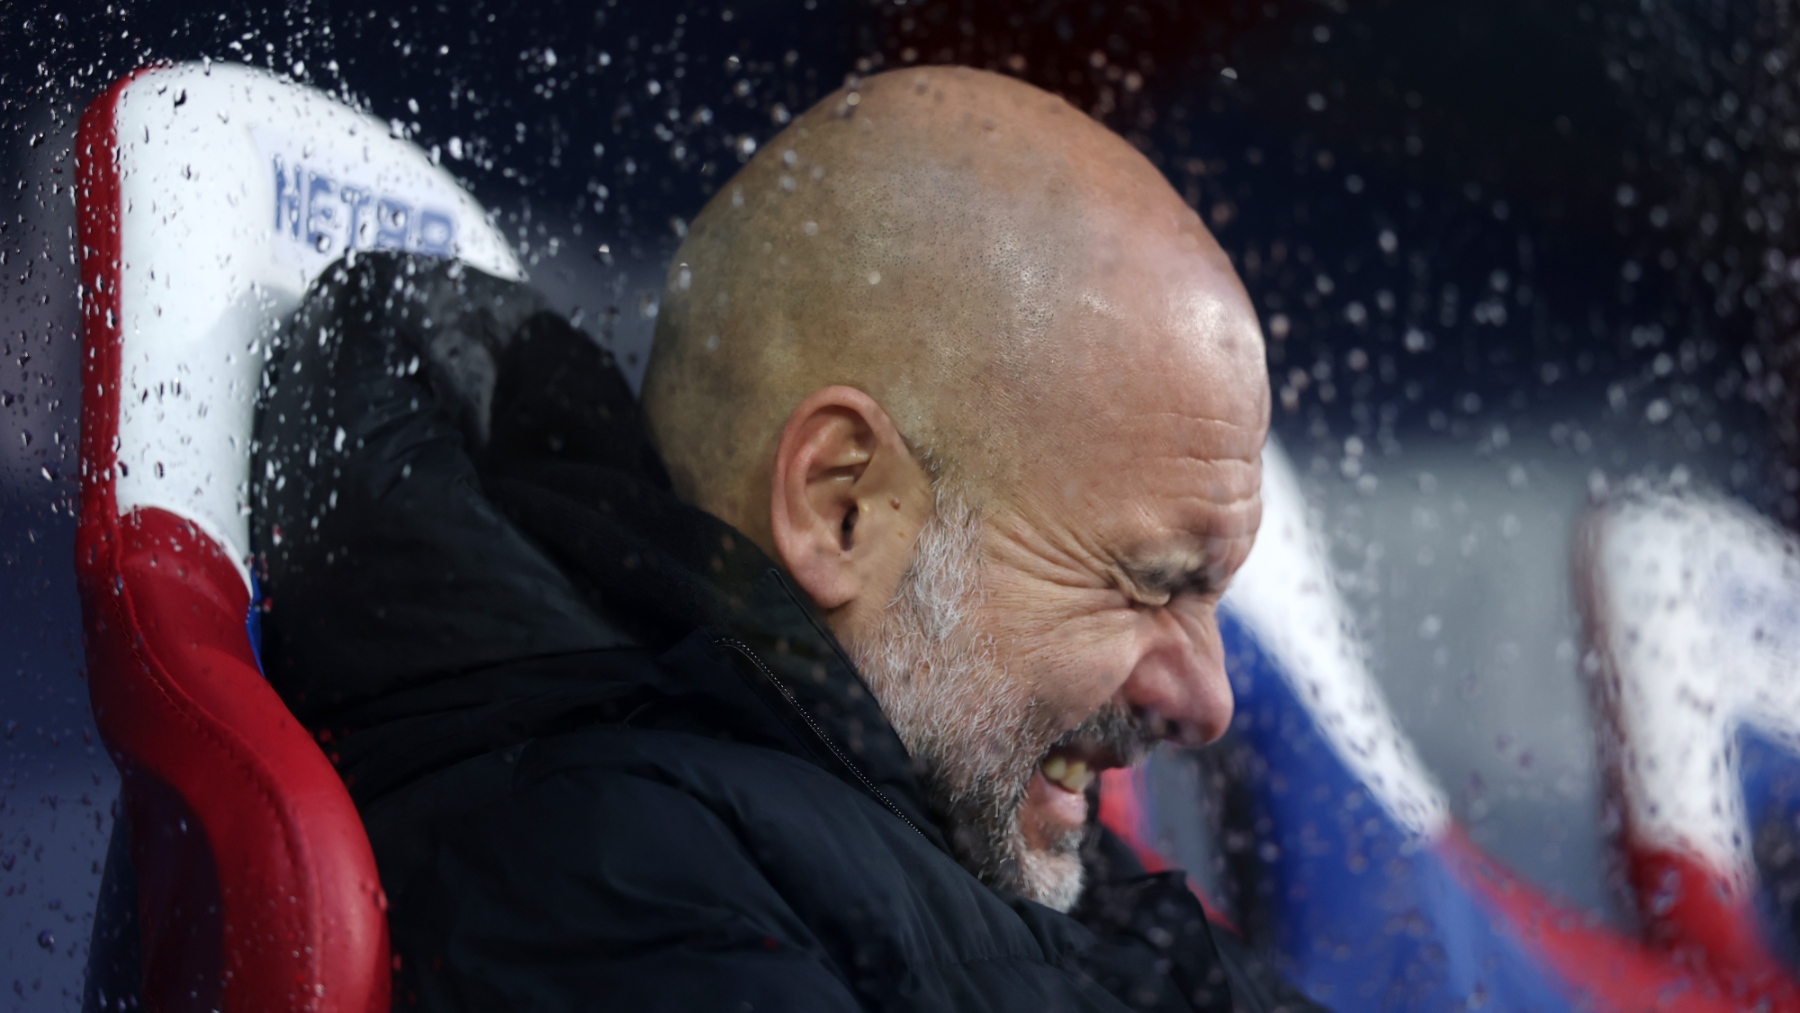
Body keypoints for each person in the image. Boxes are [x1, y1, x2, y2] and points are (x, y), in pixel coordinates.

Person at [254, 65, 1308, 1012]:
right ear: (840, 505)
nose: (1207, 700)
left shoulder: (966, 813)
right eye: (1144, 583)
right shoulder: (622, 877)